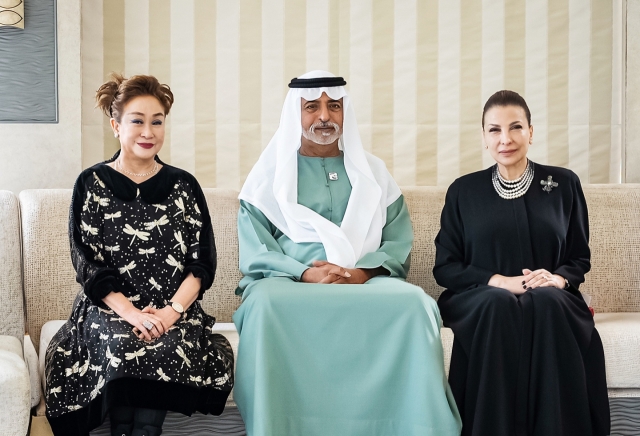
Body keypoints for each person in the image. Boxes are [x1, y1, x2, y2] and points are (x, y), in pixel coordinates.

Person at [233, 70, 461, 436]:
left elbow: (397, 239)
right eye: (312, 107)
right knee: (265, 306)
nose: (324, 116)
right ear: (296, 113)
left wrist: (361, 273)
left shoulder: (374, 173)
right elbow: (256, 245)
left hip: (363, 277)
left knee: (415, 304)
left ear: (345, 112)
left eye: (334, 106)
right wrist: (305, 273)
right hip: (287, 281)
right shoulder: (268, 175)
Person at [44, 74, 234, 436]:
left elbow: (202, 263)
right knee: (121, 344)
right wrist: (132, 314)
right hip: (108, 309)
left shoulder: (184, 186)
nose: (149, 131)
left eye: (157, 121)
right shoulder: (91, 183)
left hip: (173, 310)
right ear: (116, 126)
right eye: (138, 120)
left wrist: (168, 314)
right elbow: (87, 264)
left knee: (164, 348)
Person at [433, 90, 610, 436]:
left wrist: (558, 280)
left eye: (516, 127)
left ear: (531, 131)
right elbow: (446, 267)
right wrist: (500, 281)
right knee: (499, 304)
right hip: (482, 297)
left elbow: (579, 257)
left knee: (545, 301)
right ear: (484, 137)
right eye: (495, 130)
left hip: (551, 295)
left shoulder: (563, 184)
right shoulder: (463, 191)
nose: (506, 139)